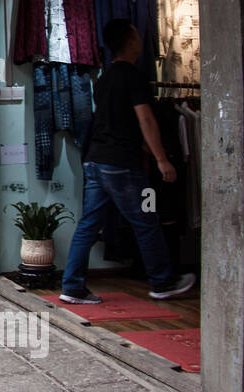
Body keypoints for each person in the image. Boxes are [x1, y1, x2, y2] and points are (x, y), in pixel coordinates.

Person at [59, 19, 197, 304]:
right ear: (130, 41)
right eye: (137, 34)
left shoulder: (105, 78)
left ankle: (72, 286)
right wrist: (162, 159)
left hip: (95, 162)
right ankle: (162, 281)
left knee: (88, 224)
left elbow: (118, 122)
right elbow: (144, 119)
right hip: (122, 166)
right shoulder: (133, 77)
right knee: (146, 220)